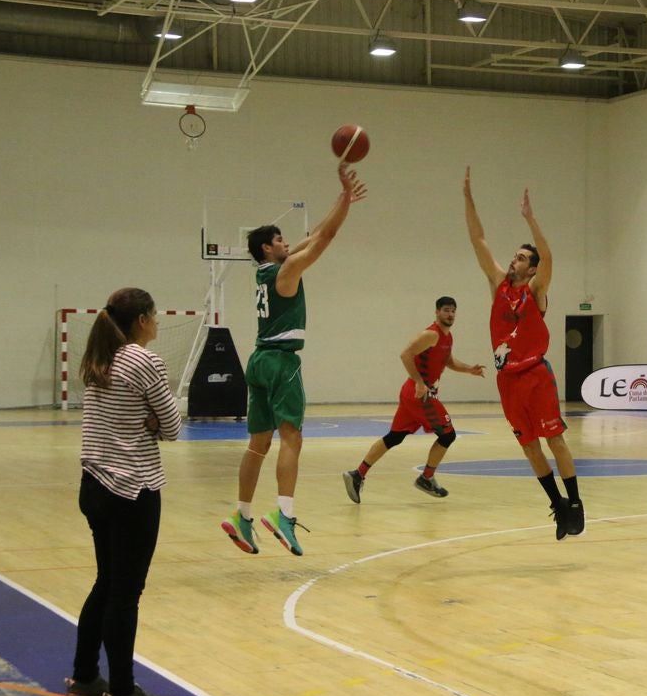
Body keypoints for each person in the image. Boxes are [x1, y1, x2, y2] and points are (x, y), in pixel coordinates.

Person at [221, 163, 366, 557]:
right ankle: (283, 516)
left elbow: (315, 232)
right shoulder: (286, 273)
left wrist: (342, 198)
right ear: (268, 247)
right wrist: (345, 205)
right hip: (282, 362)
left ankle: (242, 516)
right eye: (281, 239)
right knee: (292, 438)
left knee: (258, 444)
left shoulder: (266, 274)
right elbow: (326, 238)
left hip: (258, 360)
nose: (288, 242)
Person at [65, 288, 180, 696]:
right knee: (125, 593)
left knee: (106, 581)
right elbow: (171, 426)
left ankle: (85, 678)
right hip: (132, 488)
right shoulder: (143, 360)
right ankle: (122, 692)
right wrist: (151, 419)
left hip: (94, 484)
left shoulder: (101, 357)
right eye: (154, 314)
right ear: (142, 321)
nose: (157, 321)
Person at [462, 166, 583, 540]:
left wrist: (531, 221)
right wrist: (468, 199)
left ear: (531, 269)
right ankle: (558, 505)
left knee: (554, 440)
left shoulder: (536, 290)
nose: (513, 260)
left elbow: (548, 257)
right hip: (507, 380)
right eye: (513, 256)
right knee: (529, 448)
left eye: (520, 257)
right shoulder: (498, 284)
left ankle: (576, 503)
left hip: (535, 375)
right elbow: (478, 240)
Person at [342, 296, 486, 502]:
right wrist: (419, 382)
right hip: (421, 396)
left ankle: (358, 474)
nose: (450, 314)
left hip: (412, 394)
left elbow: (449, 361)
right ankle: (426, 478)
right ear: (437, 312)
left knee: (394, 437)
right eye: (446, 310)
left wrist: (469, 369)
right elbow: (405, 354)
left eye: (453, 311)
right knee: (447, 436)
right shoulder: (431, 334)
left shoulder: (448, 337)